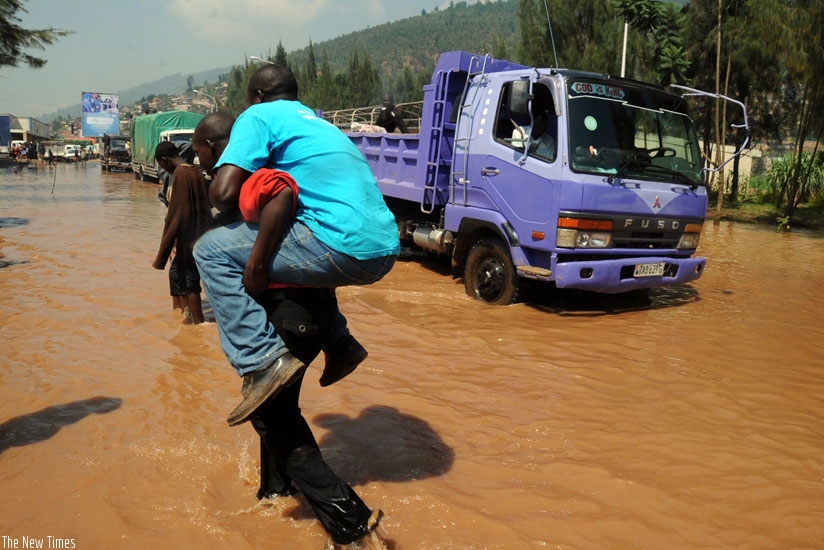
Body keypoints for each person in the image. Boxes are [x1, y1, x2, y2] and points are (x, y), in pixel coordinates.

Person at [192, 64, 399, 427]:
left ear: (255, 97)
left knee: (209, 250)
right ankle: (340, 343)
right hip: (382, 247)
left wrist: (223, 174)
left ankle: (260, 361)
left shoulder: (257, 116)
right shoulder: (320, 124)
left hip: (338, 244)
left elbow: (223, 194)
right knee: (303, 239)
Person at [192, 112, 373, 389]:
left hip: (285, 308)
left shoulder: (246, 172)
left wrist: (257, 266)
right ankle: (339, 340)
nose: (198, 160)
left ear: (212, 146)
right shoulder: (278, 160)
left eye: (198, 152)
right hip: (315, 299)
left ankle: (260, 358)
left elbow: (280, 193)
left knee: (275, 420)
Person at [151, 141, 212, 324]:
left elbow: (175, 213)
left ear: (164, 160)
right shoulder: (195, 170)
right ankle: (184, 315)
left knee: (190, 283)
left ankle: (198, 324)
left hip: (188, 237)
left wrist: (166, 246)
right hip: (201, 233)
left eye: (161, 165)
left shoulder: (180, 174)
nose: (164, 169)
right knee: (179, 274)